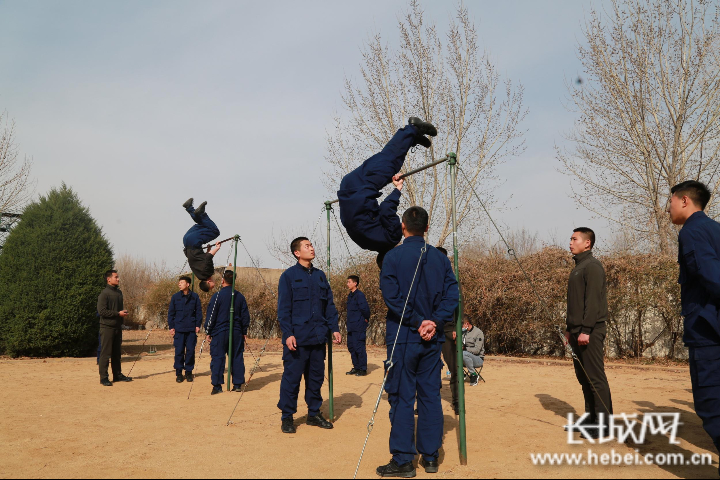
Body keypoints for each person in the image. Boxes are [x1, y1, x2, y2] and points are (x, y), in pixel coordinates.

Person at [377, 206, 459, 477]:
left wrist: (419, 322)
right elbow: (452, 296)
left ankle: (402, 461)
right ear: (426, 228)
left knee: (401, 397)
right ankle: (431, 456)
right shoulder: (441, 259)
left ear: (403, 226)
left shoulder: (393, 257)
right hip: (431, 339)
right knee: (430, 395)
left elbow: (392, 297)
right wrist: (434, 321)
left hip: (403, 338)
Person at [668, 180, 720, 466]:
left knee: (711, 405)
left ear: (685, 200)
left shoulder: (692, 231)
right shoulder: (715, 228)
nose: (668, 209)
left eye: (671, 201)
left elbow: (711, 275)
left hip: (707, 331)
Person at [337, 117, 437, 265]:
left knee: (389, 162)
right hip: (347, 189)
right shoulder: (366, 244)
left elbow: (386, 209)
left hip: (362, 188)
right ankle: (411, 138)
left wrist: (397, 190)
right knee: (386, 162)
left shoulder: (391, 238)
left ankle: (413, 128)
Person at [277, 237, 341, 434]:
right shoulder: (288, 276)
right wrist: (288, 333)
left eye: (312, 245)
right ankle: (287, 417)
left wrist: (335, 328)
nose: (311, 248)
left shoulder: (321, 276)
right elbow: (283, 308)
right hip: (297, 338)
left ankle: (314, 413)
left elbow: (328, 305)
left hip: (318, 337)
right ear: (297, 253)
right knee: (292, 379)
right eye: (307, 246)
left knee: (315, 379)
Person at [565, 227, 613, 440]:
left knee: (595, 378)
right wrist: (570, 329)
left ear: (587, 243)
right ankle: (591, 419)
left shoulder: (592, 266)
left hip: (590, 332)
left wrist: (586, 330)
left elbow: (592, 303)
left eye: (574, 239)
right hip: (576, 331)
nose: (570, 242)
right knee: (584, 378)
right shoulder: (578, 267)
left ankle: (604, 425)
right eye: (571, 239)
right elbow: (575, 303)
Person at [204, 270, 251, 395]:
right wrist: (244, 330)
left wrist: (208, 331)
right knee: (236, 357)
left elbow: (211, 315)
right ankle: (237, 384)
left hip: (220, 332)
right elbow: (245, 316)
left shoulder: (217, 296)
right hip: (236, 332)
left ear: (222, 280)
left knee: (218, 358)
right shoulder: (240, 296)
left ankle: (217, 386)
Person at [97, 270, 132, 386]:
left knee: (117, 353)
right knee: (106, 353)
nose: (118, 279)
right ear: (109, 279)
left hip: (117, 327)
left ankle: (117, 375)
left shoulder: (119, 293)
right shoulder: (104, 294)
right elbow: (102, 311)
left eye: (118, 277)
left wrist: (122, 317)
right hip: (107, 327)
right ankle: (104, 378)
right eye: (116, 277)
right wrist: (118, 314)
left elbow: (118, 310)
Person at [437, 246, 460, 415]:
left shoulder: (451, 282)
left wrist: (456, 328)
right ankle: (424, 403)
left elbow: (458, 307)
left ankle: (458, 402)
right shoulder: (426, 279)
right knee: (426, 368)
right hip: (429, 330)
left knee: (454, 367)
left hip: (448, 330)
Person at [168, 276, 203, 383]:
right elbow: (171, 313)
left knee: (190, 352)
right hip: (179, 328)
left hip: (191, 328)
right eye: (179, 282)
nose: (179, 284)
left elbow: (198, 312)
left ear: (188, 284)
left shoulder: (195, 297)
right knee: (179, 351)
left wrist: (197, 325)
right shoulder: (175, 297)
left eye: (182, 282)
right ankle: (179, 373)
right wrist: (171, 327)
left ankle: (188, 372)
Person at [182, 198, 221, 292]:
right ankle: (189, 207)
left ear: (208, 282)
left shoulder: (208, 273)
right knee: (203, 224)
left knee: (215, 231)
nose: (214, 284)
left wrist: (217, 248)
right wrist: (208, 250)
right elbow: (201, 259)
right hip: (186, 241)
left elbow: (208, 257)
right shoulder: (198, 274)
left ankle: (201, 213)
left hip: (194, 242)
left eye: (212, 286)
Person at [345, 275, 371, 377]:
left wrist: (365, 320)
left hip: (358, 326)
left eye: (349, 282)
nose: (348, 284)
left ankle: (363, 369)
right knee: (351, 347)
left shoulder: (359, 295)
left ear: (355, 283)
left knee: (359, 347)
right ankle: (356, 367)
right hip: (351, 326)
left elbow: (365, 309)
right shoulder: (350, 296)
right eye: (347, 282)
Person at [462, 319, 484, 387]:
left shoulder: (478, 333)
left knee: (463, 354)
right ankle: (460, 374)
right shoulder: (462, 332)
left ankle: (473, 375)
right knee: (451, 352)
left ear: (467, 324)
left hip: (477, 358)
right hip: (464, 357)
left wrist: (465, 348)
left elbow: (477, 350)